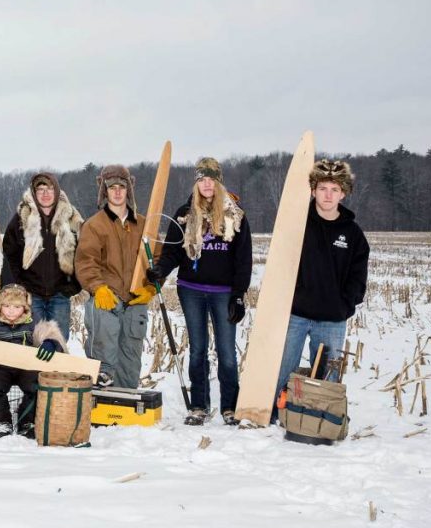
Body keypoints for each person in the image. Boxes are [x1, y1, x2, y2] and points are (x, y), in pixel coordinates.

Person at [147, 158, 252, 426]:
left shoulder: (235, 214)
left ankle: (230, 407)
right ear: (196, 182)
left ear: (218, 182)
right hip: (191, 290)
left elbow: (243, 259)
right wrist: (160, 271)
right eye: (202, 179)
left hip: (224, 292)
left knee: (227, 353)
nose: (207, 184)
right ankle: (199, 406)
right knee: (198, 350)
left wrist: (239, 295)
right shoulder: (184, 213)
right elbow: (172, 251)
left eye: (212, 179)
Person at [273, 159, 369, 420]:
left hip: (332, 319)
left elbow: (358, 278)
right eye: (323, 188)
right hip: (296, 314)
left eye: (334, 189)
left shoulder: (353, 234)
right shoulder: (297, 224)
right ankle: (275, 414)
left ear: (343, 193)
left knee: (328, 373)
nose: (328, 195)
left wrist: (345, 305)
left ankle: (323, 419)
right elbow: (281, 262)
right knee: (283, 369)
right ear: (313, 190)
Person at [74, 165, 154, 389]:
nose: (117, 192)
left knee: (131, 358)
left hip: (135, 301)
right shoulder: (94, 225)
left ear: (129, 190)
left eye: (122, 187)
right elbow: (86, 261)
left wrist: (151, 287)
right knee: (104, 358)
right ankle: (101, 405)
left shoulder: (143, 225)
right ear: (104, 192)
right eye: (112, 188)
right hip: (106, 299)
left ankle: (126, 406)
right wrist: (97, 288)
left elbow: (156, 258)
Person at [0, 284, 66, 438]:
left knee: (38, 384)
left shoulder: (33, 321)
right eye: (7, 306)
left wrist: (51, 343)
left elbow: (50, 333)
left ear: (24, 307)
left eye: (17, 307)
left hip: (26, 366)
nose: (11, 310)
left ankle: (28, 421)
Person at [2, 172, 84, 340]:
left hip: (60, 294)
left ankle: (58, 368)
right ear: (34, 193)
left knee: (59, 341)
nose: (45, 194)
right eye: (40, 190)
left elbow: (82, 253)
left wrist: (73, 284)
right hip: (32, 295)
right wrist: (20, 285)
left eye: (50, 189)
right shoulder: (22, 218)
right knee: (34, 341)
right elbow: (10, 255)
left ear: (57, 191)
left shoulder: (70, 218)